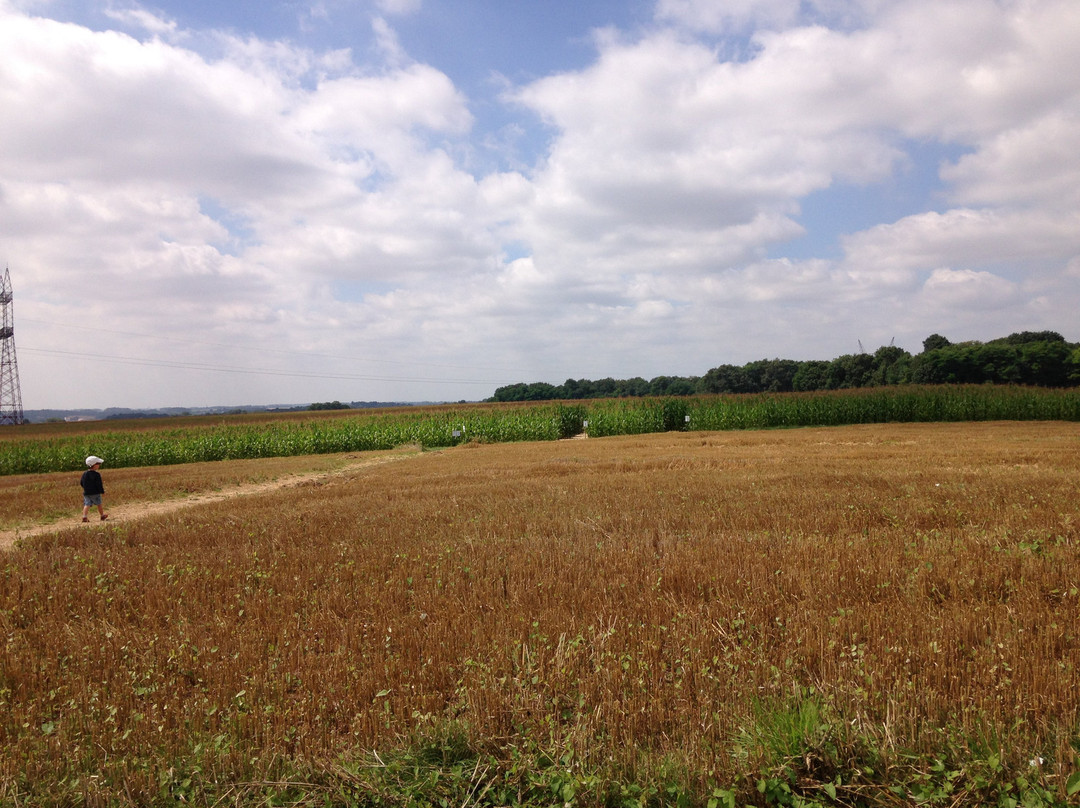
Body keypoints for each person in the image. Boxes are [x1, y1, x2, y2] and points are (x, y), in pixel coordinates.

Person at [80, 455, 108, 522]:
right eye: (98, 464)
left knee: (87, 504)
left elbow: (81, 482)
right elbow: (99, 484)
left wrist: (86, 489)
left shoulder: (84, 474)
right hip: (95, 493)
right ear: (94, 465)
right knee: (99, 504)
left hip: (86, 493)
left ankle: (84, 516)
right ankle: (102, 515)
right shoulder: (97, 474)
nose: (99, 465)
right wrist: (102, 491)